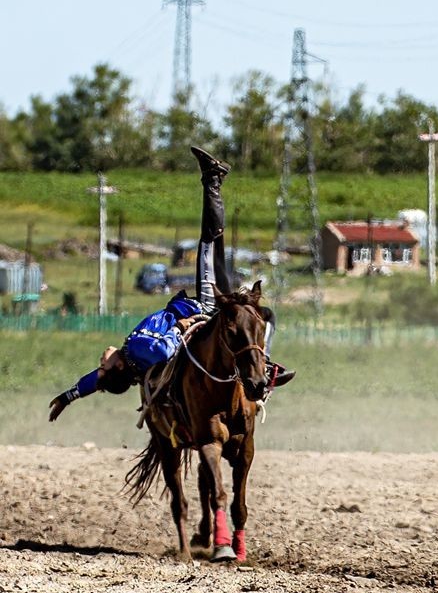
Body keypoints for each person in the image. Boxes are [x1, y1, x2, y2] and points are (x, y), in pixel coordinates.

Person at [48, 147, 294, 422]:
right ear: (117, 367)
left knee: (258, 305)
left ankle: (213, 178)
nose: (100, 362)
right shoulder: (137, 350)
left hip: (199, 308)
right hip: (204, 307)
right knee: (209, 242)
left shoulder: (130, 359)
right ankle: (212, 178)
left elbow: (95, 381)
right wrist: (180, 326)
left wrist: (68, 396)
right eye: (103, 366)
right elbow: (162, 350)